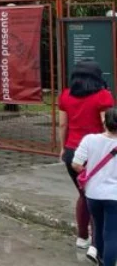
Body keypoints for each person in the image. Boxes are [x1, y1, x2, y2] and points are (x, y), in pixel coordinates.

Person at [60, 60, 115, 259]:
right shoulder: (103, 96)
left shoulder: (66, 95)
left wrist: (62, 148)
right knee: (96, 196)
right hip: (96, 152)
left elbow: (63, 125)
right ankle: (96, 241)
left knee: (84, 195)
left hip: (72, 152)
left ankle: (82, 237)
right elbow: (106, 125)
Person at [72, 107, 117, 266]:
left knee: (98, 228)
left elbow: (76, 163)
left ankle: (101, 260)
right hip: (114, 196)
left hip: (93, 194)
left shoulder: (90, 139)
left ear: (105, 122)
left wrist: (88, 171)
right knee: (112, 233)